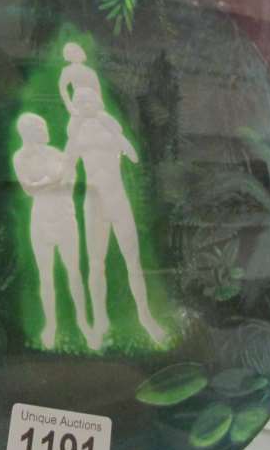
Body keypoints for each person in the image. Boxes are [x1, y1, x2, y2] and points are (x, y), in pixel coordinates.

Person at [65, 87, 166, 347]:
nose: (85, 104)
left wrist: (114, 131)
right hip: (94, 204)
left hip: (118, 200)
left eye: (89, 99)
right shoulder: (76, 134)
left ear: (97, 101)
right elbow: (67, 168)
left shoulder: (110, 129)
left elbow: (133, 156)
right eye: (80, 101)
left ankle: (145, 317)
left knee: (133, 262)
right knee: (96, 263)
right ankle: (100, 322)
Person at [13, 113, 91, 348]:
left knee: (74, 272)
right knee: (45, 277)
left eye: (45, 126)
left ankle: (83, 323)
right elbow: (28, 189)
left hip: (65, 217)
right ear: (29, 132)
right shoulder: (20, 157)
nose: (46, 130)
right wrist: (53, 180)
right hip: (41, 221)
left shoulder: (58, 154)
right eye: (41, 127)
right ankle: (51, 327)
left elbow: (69, 182)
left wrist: (49, 181)